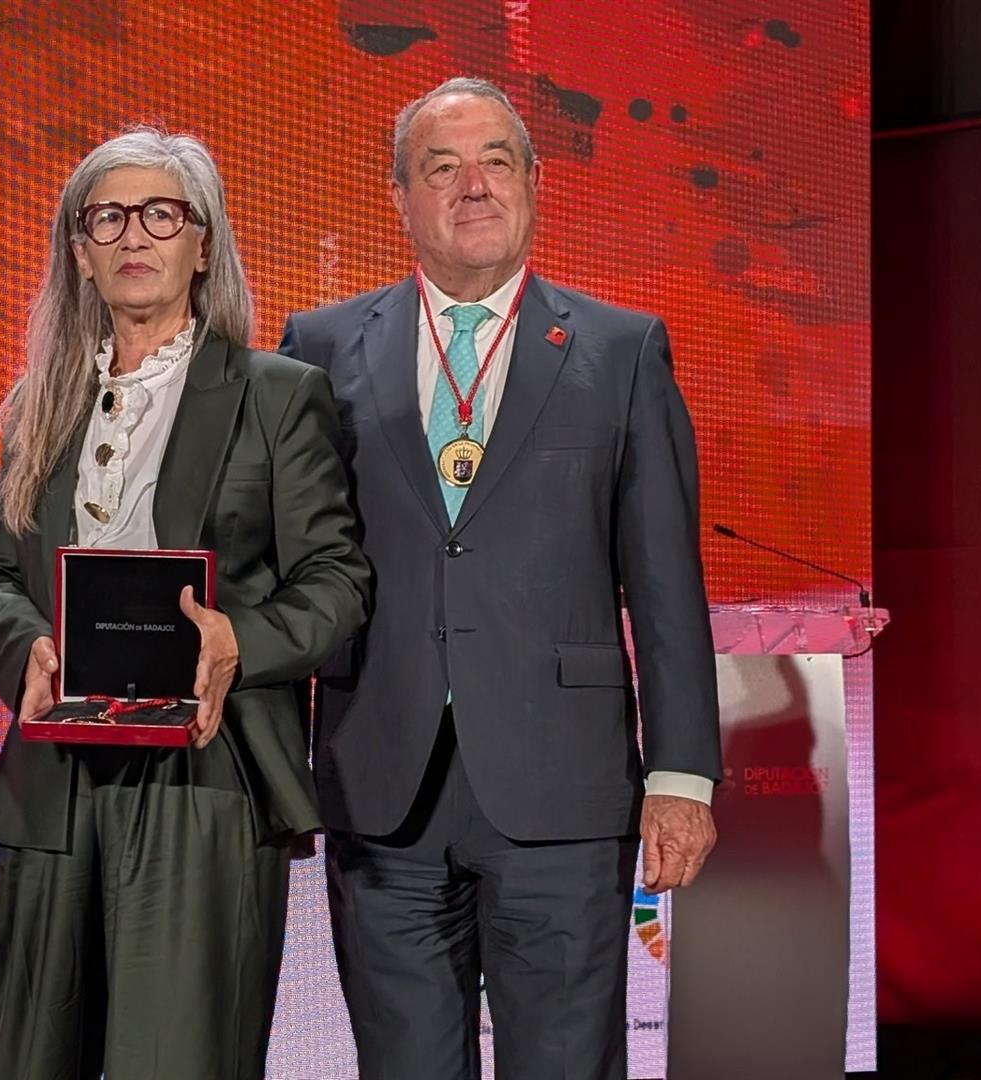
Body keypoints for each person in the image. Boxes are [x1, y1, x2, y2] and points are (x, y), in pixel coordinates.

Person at [278, 78, 722, 1079]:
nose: (472, 186)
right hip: (380, 790)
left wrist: (683, 773)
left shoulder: (620, 350)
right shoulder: (316, 349)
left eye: (495, 161)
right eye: (442, 166)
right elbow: (291, 572)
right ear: (400, 197)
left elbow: (663, 583)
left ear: (534, 181)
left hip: (565, 794)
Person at [0, 127, 371, 1079]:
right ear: (79, 251)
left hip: (208, 766)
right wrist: (24, 649)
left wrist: (239, 641)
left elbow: (337, 584)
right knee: (25, 1058)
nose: (132, 235)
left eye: (160, 213)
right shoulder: (40, 404)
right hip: (55, 769)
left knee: (177, 1059)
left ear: (203, 243)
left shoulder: (277, 395)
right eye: (106, 217)